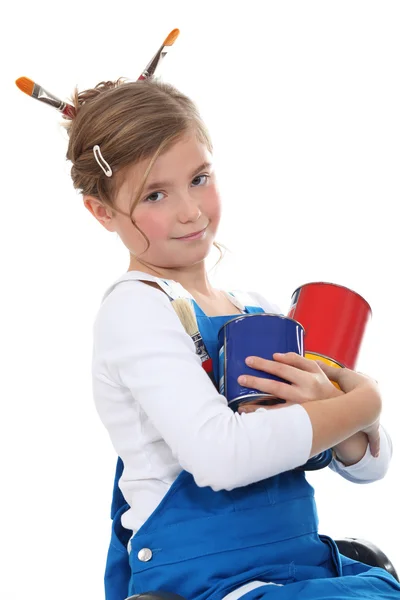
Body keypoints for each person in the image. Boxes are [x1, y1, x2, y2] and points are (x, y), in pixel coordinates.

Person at [63, 78, 397, 599]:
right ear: (102, 211)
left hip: (297, 566)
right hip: (212, 581)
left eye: (199, 179)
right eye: (155, 194)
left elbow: (367, 467)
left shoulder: (256, 309)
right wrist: (364, 400)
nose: (190, 211)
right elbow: (223, 458)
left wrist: (341, 409)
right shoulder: (136, 309)